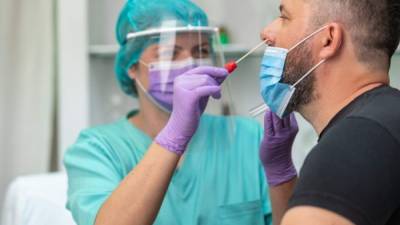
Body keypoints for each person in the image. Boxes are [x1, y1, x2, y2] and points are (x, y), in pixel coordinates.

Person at [64, 0, 272, 225]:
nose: (191, 63)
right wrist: (174, 135)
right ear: (132, 67)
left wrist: (284, 173)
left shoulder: (247, 137)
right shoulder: (96, 149)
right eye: (170, 52)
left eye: (201, 50)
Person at [257, 0, 400, 225]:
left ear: (329, 39)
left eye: (284, 17)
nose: (266, 33)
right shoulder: (384, 124)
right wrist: (281, 177)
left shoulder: (354, 146)